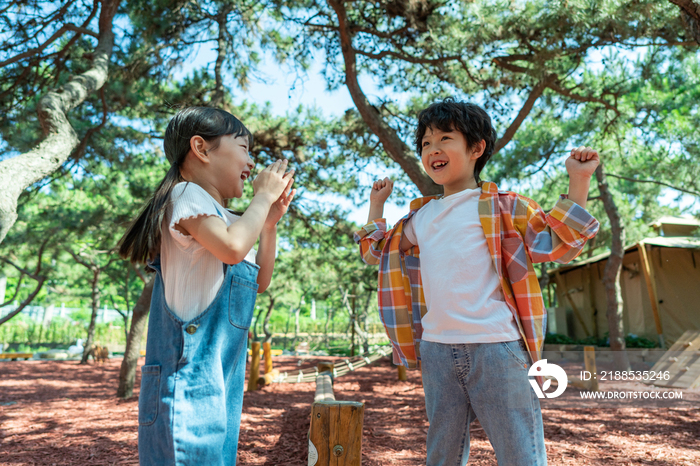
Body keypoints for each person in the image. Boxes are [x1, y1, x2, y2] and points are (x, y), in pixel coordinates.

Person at [355, 98, 600, 466]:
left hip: (498, 348)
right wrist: (377, 206)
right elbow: (378, 253)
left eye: (444, 139)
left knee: (520, 452)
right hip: (438, 351)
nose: (432, 150)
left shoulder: (505, 206)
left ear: (476, 148)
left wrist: (578, 180)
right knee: (443, 454)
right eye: (425, 143)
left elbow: (557, 242)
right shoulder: (422, 217)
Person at [118, 107, 295, 465]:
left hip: (219, 389)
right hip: (188, 386)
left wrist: (270, 224)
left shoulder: (228, 220)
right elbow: (231, 248)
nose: (251, 161)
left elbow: (258, 282)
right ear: (200, 148)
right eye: (244, 147)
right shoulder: (186, 194)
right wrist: (260, 198)